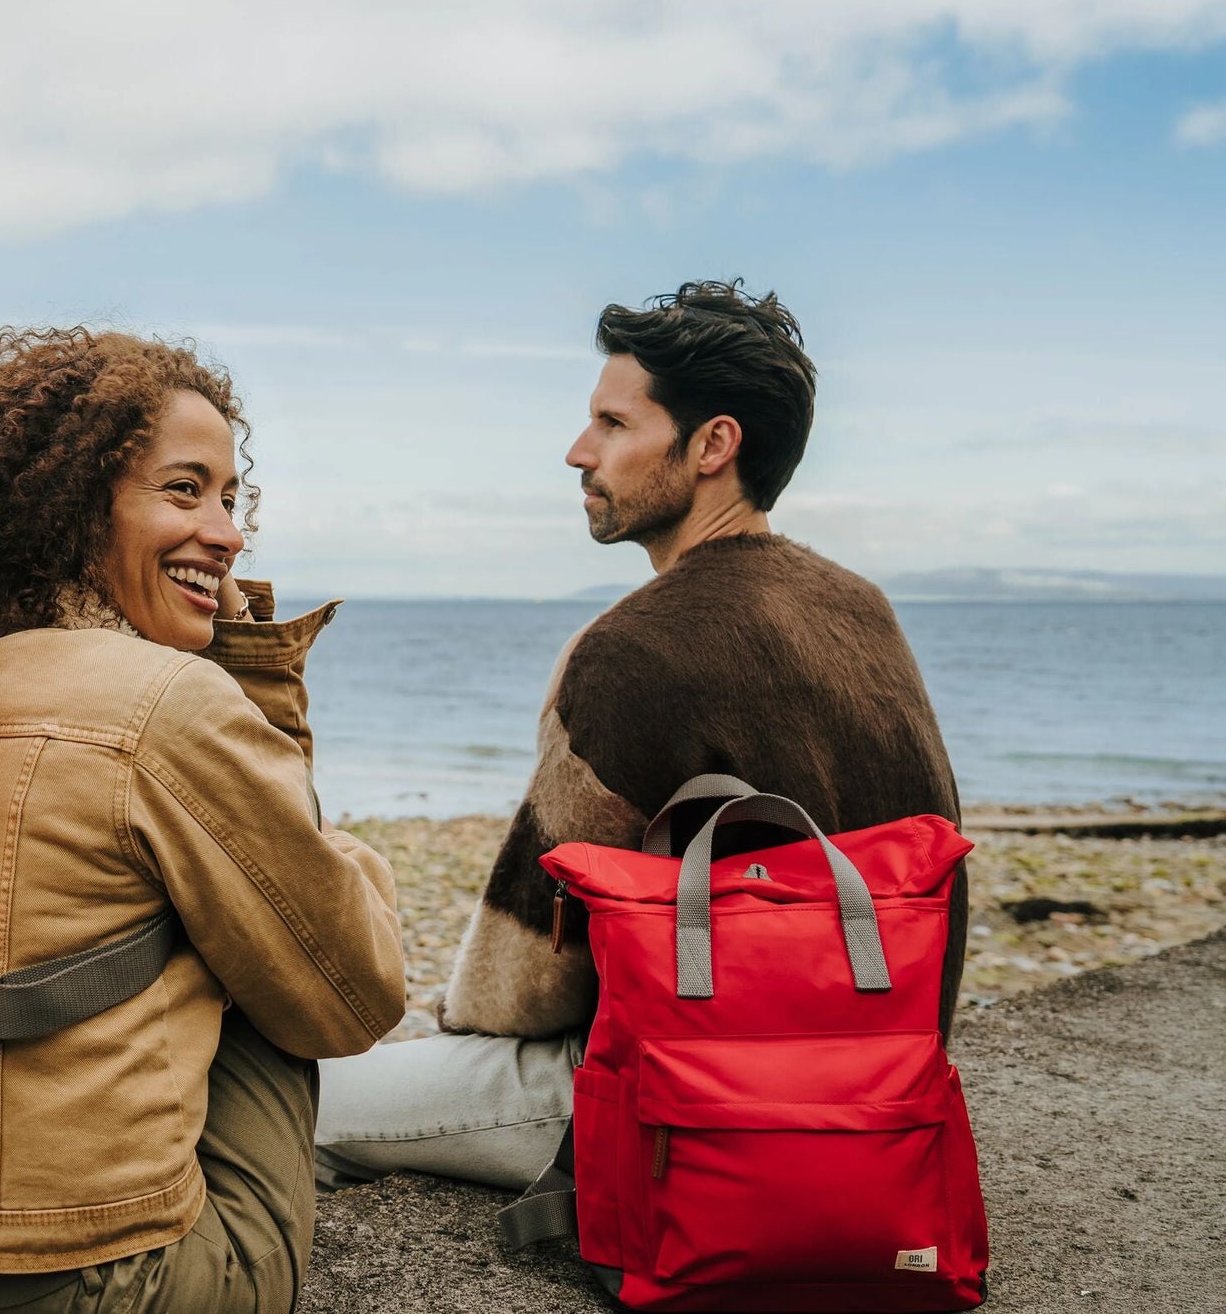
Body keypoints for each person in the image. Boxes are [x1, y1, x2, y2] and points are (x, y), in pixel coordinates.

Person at [313, 281, 966, 1194]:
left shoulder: (630, 650)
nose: (579, 452)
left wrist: (454, 1033)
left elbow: (522, 985)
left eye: (613, 424)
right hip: (882, 1073)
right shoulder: (861, 608)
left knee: (290, 1109)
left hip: (696, 1095)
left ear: (712, 445)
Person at [0, 328, 407, 1312]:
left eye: (231, 499)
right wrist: (345, 860)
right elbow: (349, 1001)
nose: (228, 534)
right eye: (185, 491)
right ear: (74, 503)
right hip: (97, 1282)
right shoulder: (163, 702)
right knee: (276, 939)